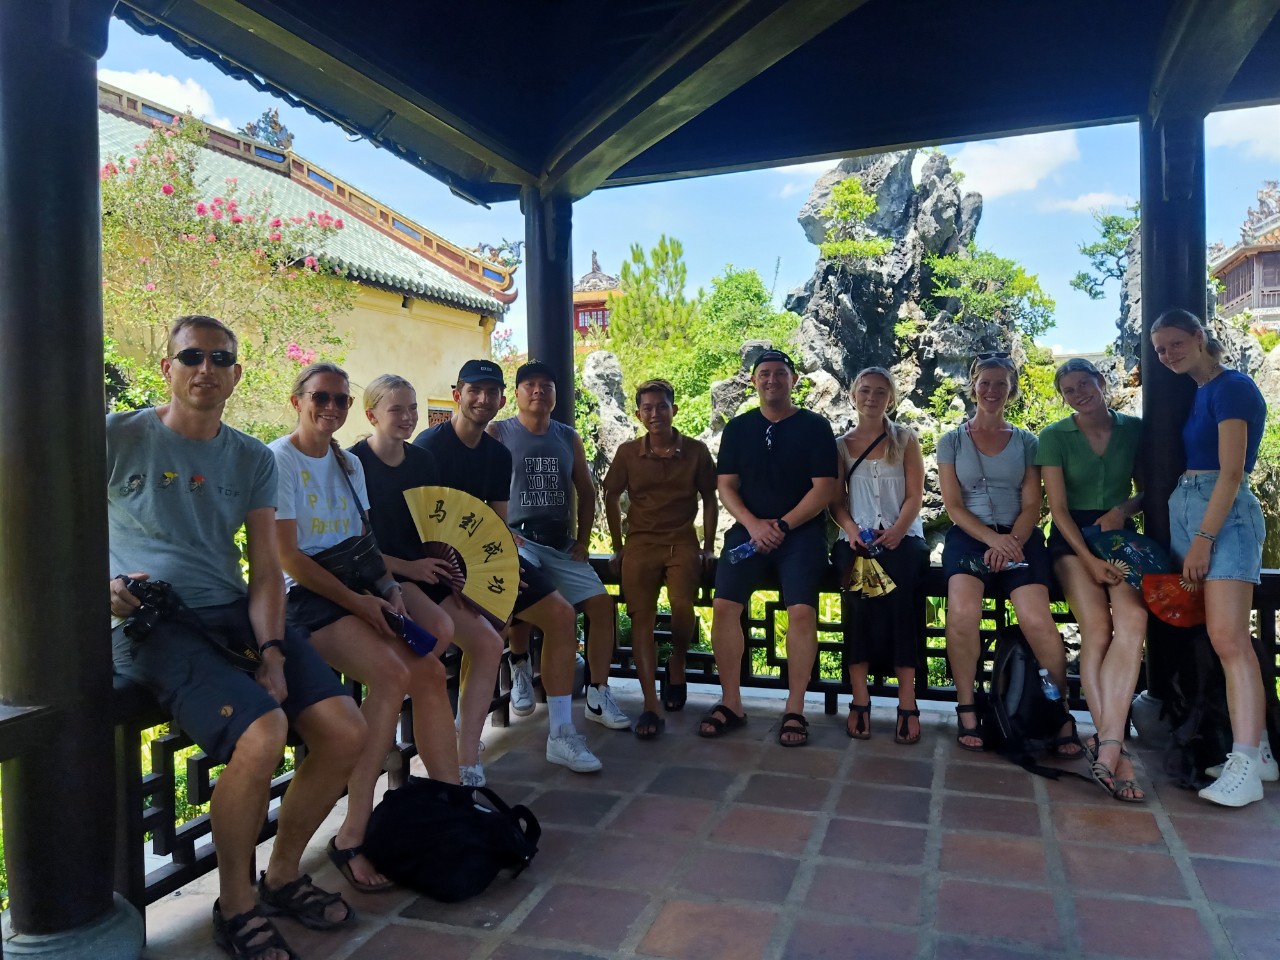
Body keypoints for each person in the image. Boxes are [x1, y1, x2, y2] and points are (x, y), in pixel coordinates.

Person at [109, 315, 364, 960]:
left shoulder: (250, 457)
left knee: (346, 732)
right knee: (263, 732)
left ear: (235, 375)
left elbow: (266, 569)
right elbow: (42, 522)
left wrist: (274, 649)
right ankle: (237, 903)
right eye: (191, 356)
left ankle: (281, 875)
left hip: (229, 610)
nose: (205, 368)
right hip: (150, 624)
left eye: (220, 359)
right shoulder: (115, 438)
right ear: (167, 367)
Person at [270, 362, 460, 897]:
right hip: (309, 598)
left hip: (361, 589)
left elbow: (365, 541)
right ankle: (352, 832)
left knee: (424, 669)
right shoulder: (278, 460)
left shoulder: (348, 463)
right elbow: (289, 558)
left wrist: (389, 588)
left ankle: (449, 796)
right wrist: (360, 600)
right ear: (297, 400)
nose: (330, 407)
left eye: (339, 400)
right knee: (393, 672)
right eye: (320, 397)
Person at [416, 359, 603, 772]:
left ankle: (561, 734)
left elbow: (497, 521)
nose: (482, 399)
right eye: (473, 391)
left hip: (483, 558)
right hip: (436, 567)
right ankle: (468, 739)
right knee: (487, 632)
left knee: (559, 613)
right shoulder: (431, 447)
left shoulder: (497, 454)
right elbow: (422, 520)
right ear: (457, 394)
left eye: (490, 392)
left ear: (501, 398)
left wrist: (506, 564)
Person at [350, 374, 503, 787]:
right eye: (396, 409)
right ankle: (399, 744)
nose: (407, 417)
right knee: (436, 635)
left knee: (489, 642)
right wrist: (410, 569)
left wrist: (453, 567)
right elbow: (353, 546)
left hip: (426, 572)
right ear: (371, 414)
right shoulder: (354, 464)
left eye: (412, 407)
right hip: (383, 577)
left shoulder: (422, 461)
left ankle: (466, 758)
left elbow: (435, 525)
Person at [1151, 309, 1274, 807]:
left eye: (1176, 344)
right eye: (1161, 349)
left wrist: (1203, 537)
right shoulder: (1203, 392)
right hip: (1194, 509)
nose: (1168, 355)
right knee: (1219, 637)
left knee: (1229, 639)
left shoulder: (1233, 387)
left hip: (1223, 517)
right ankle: (1259, 751)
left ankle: (1245, 763)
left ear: (1200, 337)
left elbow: (1230, 471)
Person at [938, 353, 1080, 757]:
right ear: (973, 385)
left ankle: (1059, 710)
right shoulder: (951, 441)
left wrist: (1011, 541)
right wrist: (990, 540)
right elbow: (953, 506)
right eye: (985, 382)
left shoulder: (1027, 441)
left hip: (1021, 534)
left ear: (1011, 389)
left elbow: (1034, 504)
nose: (992, 390)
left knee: (1037, 618)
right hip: (969, 536)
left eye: (1001, 383)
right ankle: (968, 705)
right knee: (962, 614)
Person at [701, 349, 839, 747]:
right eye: (764, 374)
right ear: (753, 381)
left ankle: (795, 707)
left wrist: (781, 525)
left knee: (800, 612)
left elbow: (824, 488)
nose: (772, 380)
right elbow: (725, 484)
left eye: (780, 373)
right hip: (748, 531)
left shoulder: (815, 427)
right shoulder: (738, 428)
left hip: (801, 534)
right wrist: (754, 525)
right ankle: (731, 702)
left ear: (794, 380)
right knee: (725, 607)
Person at [489, 360, 630, 733]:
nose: (538, 391)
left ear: (555, 394)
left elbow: (587, 491)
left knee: (601, 607)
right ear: (516, 394)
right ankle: (519, 666)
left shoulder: (568, 436)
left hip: (559, 541)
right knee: (521, 593)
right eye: (530, 385)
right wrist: (500, 533)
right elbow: (480, 487)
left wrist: (583, 540)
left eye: (546, 385)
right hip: (517, 537)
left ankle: (598, 692)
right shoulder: (498, 432)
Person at [1038, 358, 1147, 802]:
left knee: (1134, 623)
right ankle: (1115, 753)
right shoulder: (1054, 437)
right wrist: (1087, 558)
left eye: (1085, 384)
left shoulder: (1135, 429)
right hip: (1071, 542)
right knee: (1097, 629)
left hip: (1120, 538)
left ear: (1102, 383)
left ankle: (1107, 742)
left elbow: (1151, 488)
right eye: (1069, 389)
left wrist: (1124, 510)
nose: (1079, 393)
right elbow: (1057, 511)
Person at [603, 378, 718, 738]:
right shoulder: (627, 453)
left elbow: (711, 499)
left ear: (674, 409)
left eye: (661, 406)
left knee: (684, 608)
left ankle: (678, 660)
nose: (655, 413)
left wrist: (709, 547)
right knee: (642, 619)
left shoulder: (697, 451)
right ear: (639, 415)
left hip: (682, 543)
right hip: (640, 544)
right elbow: (610, 495)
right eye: (647, 408)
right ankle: (650, 704)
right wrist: (618, 544)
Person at [828, 366, 928, 745]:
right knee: (857, 602)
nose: (872, 398)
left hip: (902, 536)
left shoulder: (906, 439)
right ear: (854, 395)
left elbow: (915, 495)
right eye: (865, 390)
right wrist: (853, 532)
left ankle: (907, 699)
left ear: (892, 397)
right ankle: (860, 697)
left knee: (902, 599)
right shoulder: (839, 446)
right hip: (855, 538)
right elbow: (835, 502)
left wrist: (897, 531)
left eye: (880, 392)